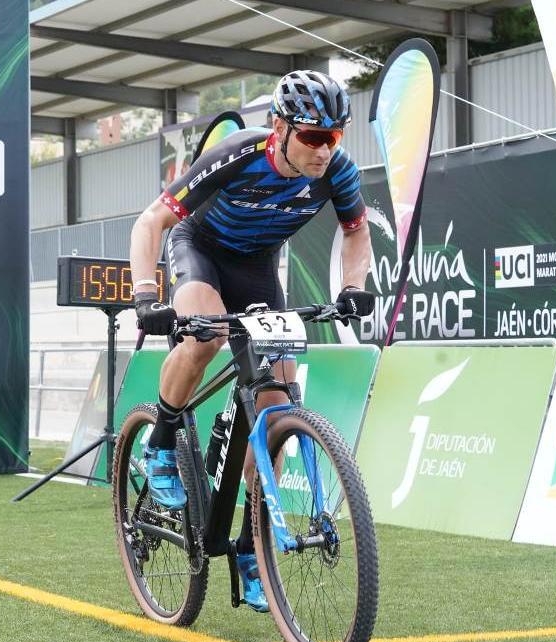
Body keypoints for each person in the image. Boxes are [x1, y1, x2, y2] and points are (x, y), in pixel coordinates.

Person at [128, 70, 376, 612]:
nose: (325, 150)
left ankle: (250, 546)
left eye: (336, 137)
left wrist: (354, 288)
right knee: (207, 335)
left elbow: (356, 231)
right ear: (280, 129)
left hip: (257, 268)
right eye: (313, 137)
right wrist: (146, 295)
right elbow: (152, 221)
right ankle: (162, 445)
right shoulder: (239, 154)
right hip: (201, 252)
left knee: (278, 407)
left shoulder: (337, 172)